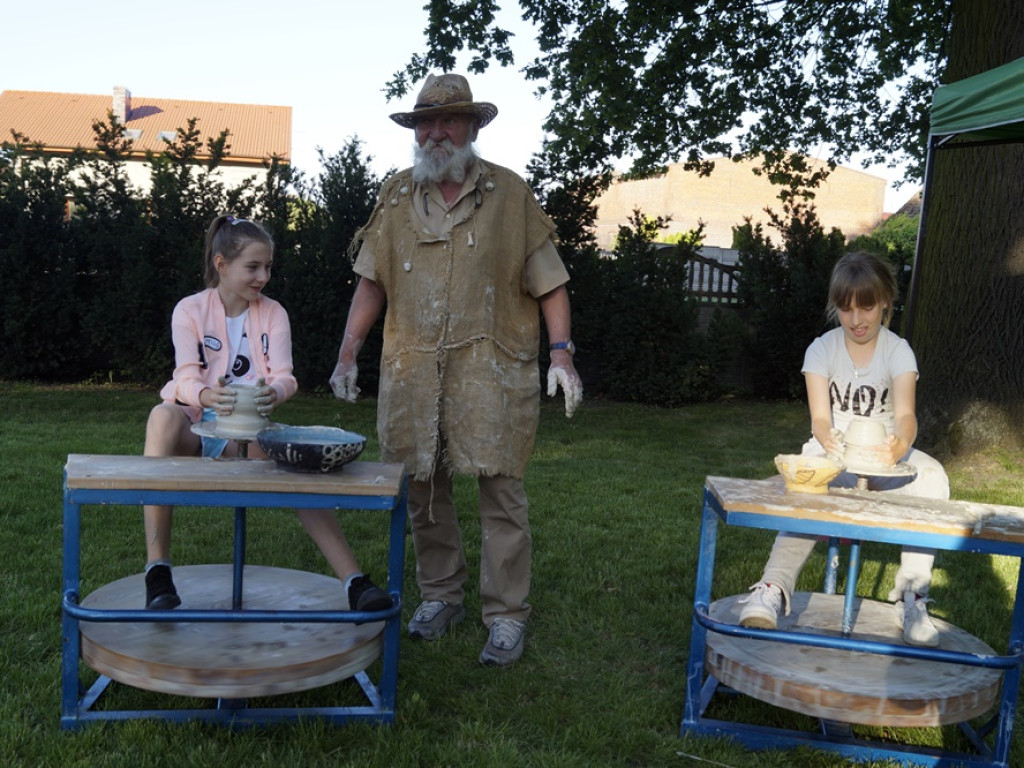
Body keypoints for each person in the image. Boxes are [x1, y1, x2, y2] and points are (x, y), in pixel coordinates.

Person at [330, 73, 582, 666]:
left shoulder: (511, 195)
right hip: (412, 371)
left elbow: (552, 285)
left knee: (501, 490)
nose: (435, 132)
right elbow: (372, 282)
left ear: (473, 126)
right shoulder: (395, 197)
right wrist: (347, 352)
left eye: (448, 120)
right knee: (422, 489)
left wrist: (563, 354)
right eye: (425, 122)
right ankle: (441, 595)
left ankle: (506, 615)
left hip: (491, 371)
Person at [142, 213, 392, 616]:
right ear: (221, 264)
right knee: (161, 416)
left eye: (268, 267)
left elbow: (285, 377)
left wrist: (271, 394)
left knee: (300, 463)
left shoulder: (273, 313)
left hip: (253, 430)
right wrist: (206, 395)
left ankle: (355, 583)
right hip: (197, 427)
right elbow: (184, 378)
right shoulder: (189, 310)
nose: (263, 277)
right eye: (253, 267)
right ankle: (158, 572)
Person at [738, 251, 950, 647]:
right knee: (805, 490)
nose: (856, 319)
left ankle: (912, 596)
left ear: (886, 301)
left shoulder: (897, 350)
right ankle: (772, 588)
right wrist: (825, 438)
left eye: (866, 307)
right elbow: (820, 419)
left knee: (934, 478)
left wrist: (900, 443)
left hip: (886, 454)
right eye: (846, 308)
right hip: (833, 451)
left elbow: (906, 416)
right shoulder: (821, 349)